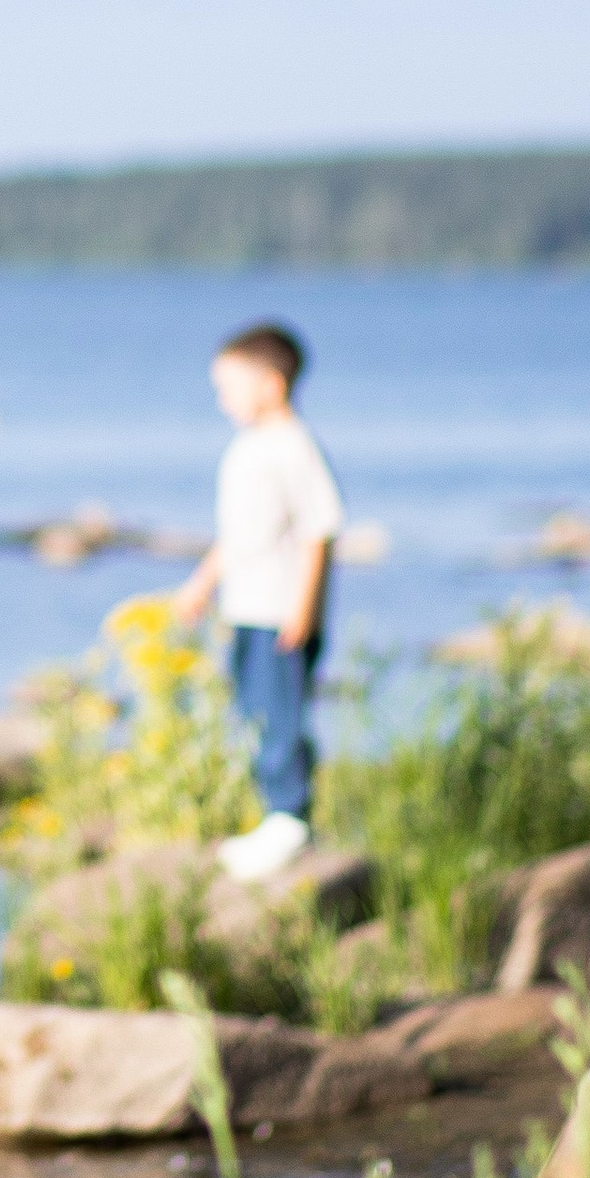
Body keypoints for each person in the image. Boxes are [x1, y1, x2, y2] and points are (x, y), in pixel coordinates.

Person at [170, 319, 344, 881]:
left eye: (229, 387)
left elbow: (320, 531)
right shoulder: (251, 446)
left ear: (271, 384)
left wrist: (304, 608)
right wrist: (202, 583)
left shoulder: (294, 446)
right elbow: (241, 534)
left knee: (279, 713)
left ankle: (290, 818)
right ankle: (275, 818)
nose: (222, 401)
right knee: (251, 709)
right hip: (246, 607)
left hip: (280, 612)